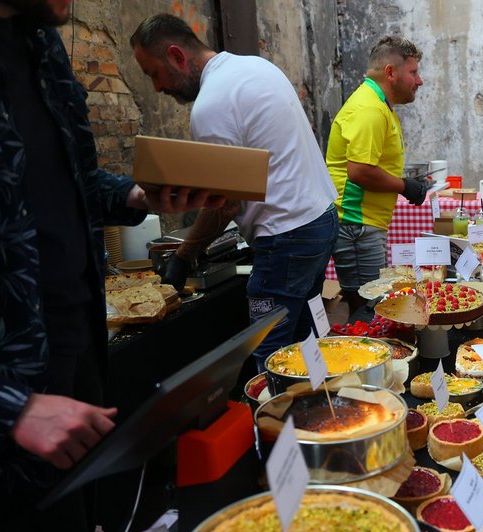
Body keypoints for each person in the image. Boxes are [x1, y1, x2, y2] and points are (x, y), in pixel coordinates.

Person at [0, 1, 217, 532]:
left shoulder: (42, 45)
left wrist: (135, 195)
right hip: (2, 409)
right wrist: (4, 406)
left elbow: (72, 181)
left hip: (80, 353)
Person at [131, 14, 339, 369]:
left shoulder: (211, 105)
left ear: (177, 56)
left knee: (270, 356)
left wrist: (183, 255)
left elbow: (224, 206)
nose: (157, 87)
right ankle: (315, 402)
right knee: (305, 345)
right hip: (320, 219)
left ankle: (282, 405)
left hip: (286, 237)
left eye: (154, 73)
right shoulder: (255, 67)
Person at [326, 36, 427, 314]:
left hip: (364, 225)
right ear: (390, 72)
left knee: (371, 307)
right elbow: (360, 171)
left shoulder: (379, 104)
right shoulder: (369, 108)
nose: (419, 81)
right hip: (356, 224)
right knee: (369, 310)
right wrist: (404, 186)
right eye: (414, 72)